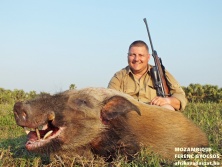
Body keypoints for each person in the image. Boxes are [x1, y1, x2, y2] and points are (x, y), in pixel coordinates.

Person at [108, 40, 187, 111]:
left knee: (168, 108)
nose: (136, 59)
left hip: (154, 115)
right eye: (132, 55)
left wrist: (167, 100)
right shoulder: (119, 77)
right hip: (128, 117)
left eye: (141, 55)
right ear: (127, 56)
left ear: (148, 57)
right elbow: (109, 100)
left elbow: (181, 97)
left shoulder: (161, 73)